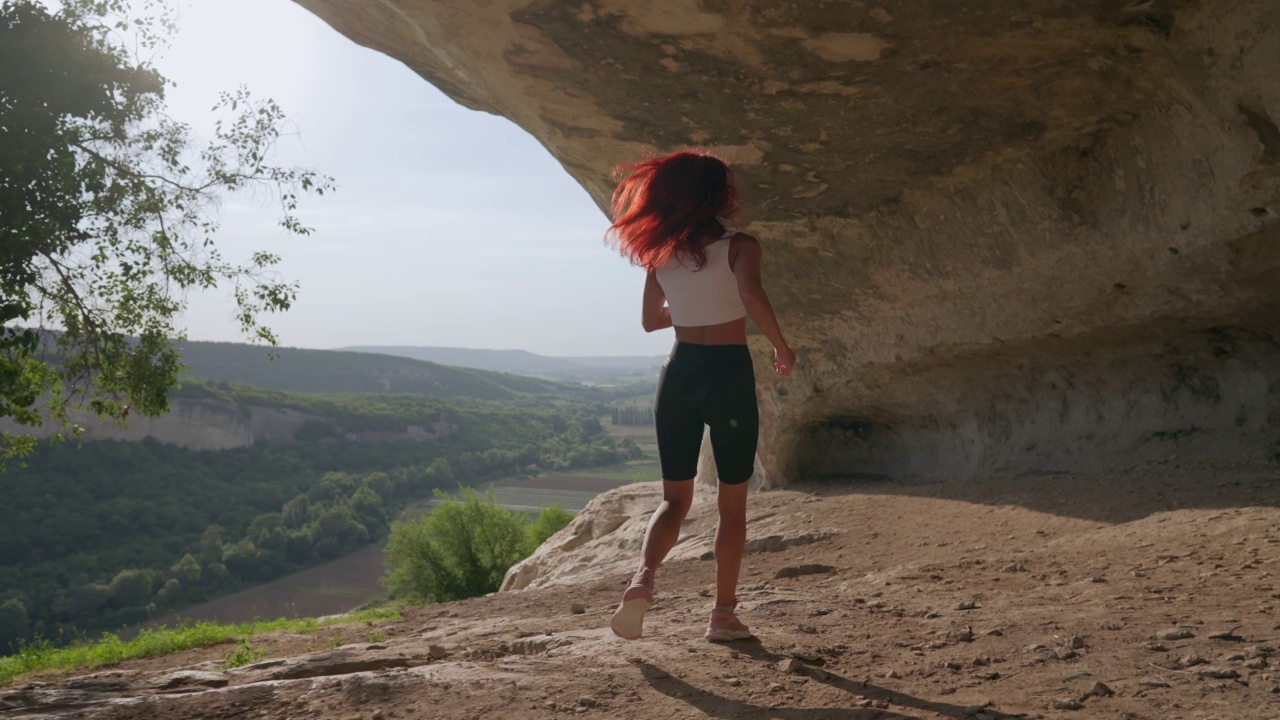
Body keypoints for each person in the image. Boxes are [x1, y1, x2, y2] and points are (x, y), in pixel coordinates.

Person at [604, 150, 795, 642]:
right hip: (728, 374)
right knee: (733, 506)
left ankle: (642, 580)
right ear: (718, 195)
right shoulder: (741, 246)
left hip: (679, 374)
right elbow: (751, 295)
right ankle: (723, 614)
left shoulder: (658, 254)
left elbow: (651, 321)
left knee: (673, 501)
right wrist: (781, 346)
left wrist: (690, 307)